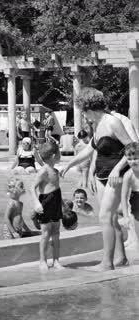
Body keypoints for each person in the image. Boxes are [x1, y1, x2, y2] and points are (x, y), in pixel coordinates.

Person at [60, 88, 136, 270]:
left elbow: (132, 147)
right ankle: (120, 258)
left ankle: (106, 263)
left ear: (88, 108)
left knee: (105, 217)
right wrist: (70, 164)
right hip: (101, 175)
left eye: (83, 112)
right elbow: (90, 149)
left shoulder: (113, 122)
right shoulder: (98, 123)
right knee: (110, 219)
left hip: (114, 176)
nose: (84, 117)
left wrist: (118, 169)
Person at [32, 142, 64, 272]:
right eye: (59, 153)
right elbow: (32, 188)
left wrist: (63, 204)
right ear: (53, 155)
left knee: (56, 233)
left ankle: (56, 260)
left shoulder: (55, 171)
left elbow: (56, 188)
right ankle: (42, 260)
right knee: (45, 234)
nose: (60, 155)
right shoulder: (43, 171)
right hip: (46, 203)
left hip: (56, 202)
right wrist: (36, 203)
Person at [120, 142, 139, 250]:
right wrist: (126, 216)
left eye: (136, 158)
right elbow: (123, 197)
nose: (132, 161)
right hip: (136, 200)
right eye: (129, 159)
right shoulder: (128, 175)